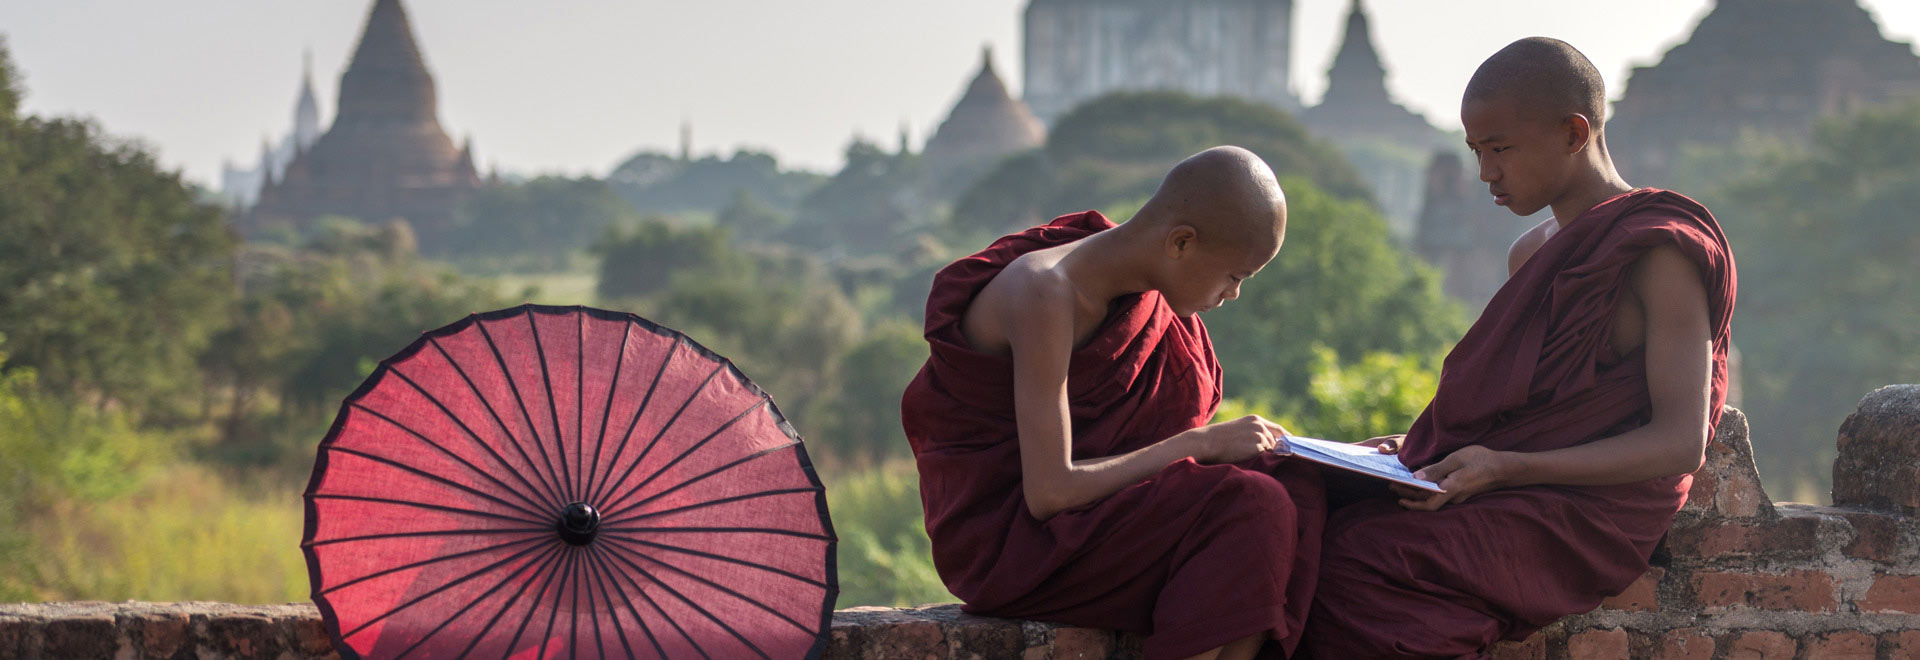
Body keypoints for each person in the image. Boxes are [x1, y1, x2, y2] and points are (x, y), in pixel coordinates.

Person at [1298, 37, 1738, 659]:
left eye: (1501, 149)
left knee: (1362, 558)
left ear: (1574, 132)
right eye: (1476, 151)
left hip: (1595, 511)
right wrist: (1420, 455)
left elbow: (1679, 443)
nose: (1486, 173)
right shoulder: (1530, 253)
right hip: (1512, 481)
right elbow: (1524, 411)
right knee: (1305, 510)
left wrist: (1508, 467)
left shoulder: (1658, 249)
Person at [900, 146, 1326, 660]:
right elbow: (1050, 491)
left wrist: (1322, 453)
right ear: (1181, 242)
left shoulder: (1146, 295)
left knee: (1295, 488)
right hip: (1018, 543)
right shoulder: (1045, 292)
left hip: (1103, 518)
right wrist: (1203, 442)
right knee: (1250, 505)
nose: (1233, 294)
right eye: (1236, 275)